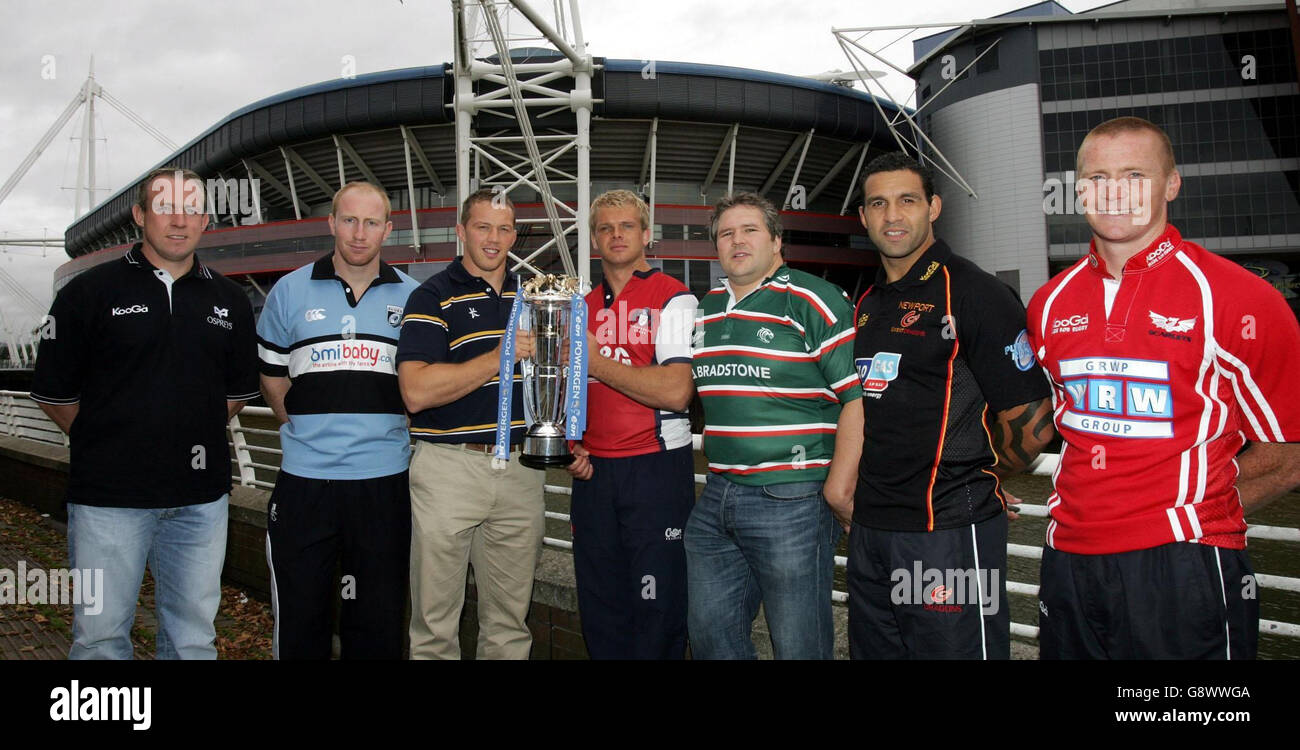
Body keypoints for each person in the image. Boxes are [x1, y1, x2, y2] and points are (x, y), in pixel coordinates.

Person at [1027, 116, 1300, 659]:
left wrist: (1189, 512)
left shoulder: (1240, 298)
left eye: (1134, 174)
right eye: (1097, 177)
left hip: (1184, 565)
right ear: (1076, 191)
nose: (1114, 192)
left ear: (1171, 184)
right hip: (1067, 560)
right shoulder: (1047, 303)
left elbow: (1289, 450)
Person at [31, 167, 259, 659]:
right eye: (165, 207)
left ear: (206, 220)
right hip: (108, 500)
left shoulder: (231, 300)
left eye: (192, 209)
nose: (179, 221)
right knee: (100, 637)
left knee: (193, 638)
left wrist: (183, 430)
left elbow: (237, 392)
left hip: (200, 502)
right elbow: (53, 393)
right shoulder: (87, 293)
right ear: (140, 215)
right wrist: (109, 441)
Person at [845, 153, 1053, 660]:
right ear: (864, 217)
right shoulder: (869, 300)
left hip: (947, 535)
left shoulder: (977, 293)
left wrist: (972, 482)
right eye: (879, 203)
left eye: (907, 200)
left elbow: (1033, 428)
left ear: (933, 207)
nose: (892, 215)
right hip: (870, 530)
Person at [686, 191, 862, 659]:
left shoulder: (814, 299)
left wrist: (839, 491)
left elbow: (855, 398)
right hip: (717, 492)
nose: (737, 241)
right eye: (726, 233)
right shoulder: (706, 307)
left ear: (777, 240)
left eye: (750, 230)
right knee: (710, 636)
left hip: (792, 498)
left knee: (798, 645)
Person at [256, 181, 419, 659]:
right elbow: (273, 381)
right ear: (331, 223)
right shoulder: (288, 291)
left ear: (388, 229)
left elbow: (416, 391)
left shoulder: (413, 298)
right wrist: (313, 434)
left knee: (379, 626)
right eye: (349, 220)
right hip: (306, 484)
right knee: (300, 623)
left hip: (384, 484)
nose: (359, 233)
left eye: (371, 222)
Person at [396, 188, 542, 660]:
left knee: (509, 624)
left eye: (503, 229)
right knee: (436, 625)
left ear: (514, 235)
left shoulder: (534, 297)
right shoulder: (432, 294)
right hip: (449, 470)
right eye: (483, 227)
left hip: (521, 470)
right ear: (461, 232)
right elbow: (415, 391)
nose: (494, 239)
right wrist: (497, 358)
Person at [564, 189, 698, 659]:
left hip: (655, 468)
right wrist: (572, 444)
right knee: (601, 603)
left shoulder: (675, 297)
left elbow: (676, 391)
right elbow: (569, 391)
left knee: (658, 604)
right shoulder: (578, 306)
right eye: (605, 228)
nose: (615, 235)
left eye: (626, 226)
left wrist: (599, 363)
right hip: (595, 474)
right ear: (594, 239)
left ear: (646, 235)